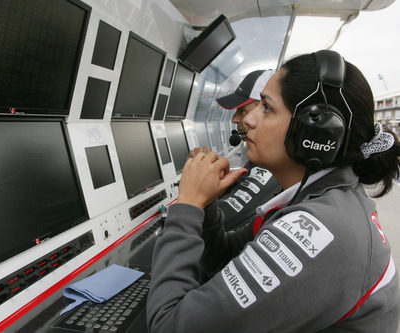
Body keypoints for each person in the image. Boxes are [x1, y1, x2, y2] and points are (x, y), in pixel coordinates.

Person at [147, 50, 400, 332]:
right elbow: (223, 256)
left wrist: (187, 206)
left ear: (314, 134)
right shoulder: (318, 199)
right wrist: (205, 206)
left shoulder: (322, 228)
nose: (250, 120)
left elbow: (168, 326)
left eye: (266, 108)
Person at [216, 69, 282, 230]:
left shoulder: (271, 166)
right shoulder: (257, 158)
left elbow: (222, 221)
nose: (235, 119)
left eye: (242, 110)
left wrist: (192, 195)